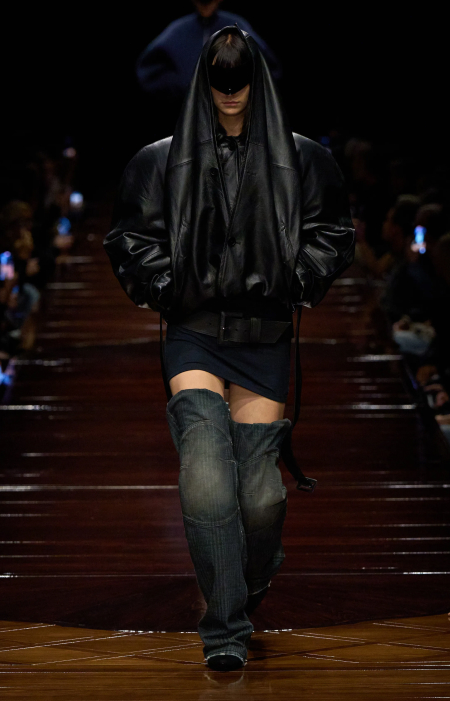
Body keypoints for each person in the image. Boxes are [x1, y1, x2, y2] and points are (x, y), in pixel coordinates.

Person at [104, 26, 354, 672]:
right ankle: (225, 628)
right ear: (205, 82)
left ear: (256, 81)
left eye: (240, 82)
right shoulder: (161, 161)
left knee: (261, 499)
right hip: (194, 334)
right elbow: (130, 236)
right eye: (221, 82)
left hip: (264, 336)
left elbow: (333, 231)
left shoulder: (304, 159)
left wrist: (297, 281)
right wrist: (170, 288)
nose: (231, 94)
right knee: (208, 477)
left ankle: (247, 581)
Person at [136, 0, 281, 102]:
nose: (206, 4)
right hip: (186, 111)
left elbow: (269, 68)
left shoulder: (237, 26)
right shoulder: (177, 31)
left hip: (234, 113)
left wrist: (239, 86)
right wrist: (184, 86)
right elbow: (148, 72)